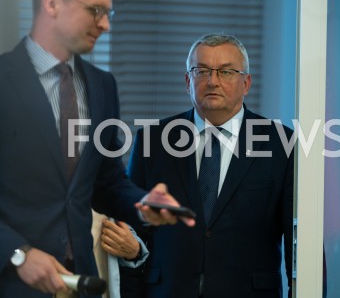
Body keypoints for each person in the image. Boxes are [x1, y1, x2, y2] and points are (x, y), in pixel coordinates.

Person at [0, 0, 194, 297]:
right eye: (95, 11)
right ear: (52, 5)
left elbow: (105, 181)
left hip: (82, 284)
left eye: (108, 13)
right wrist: (17, 254)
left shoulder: (103, 86)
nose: (105, 25)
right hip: (7, 285)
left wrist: (143, 205)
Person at [126, 33, 295, 298]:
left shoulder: (282, 143)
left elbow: (298, 241)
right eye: (201, 70)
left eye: (226, 72)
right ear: (187, 81)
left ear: (246, 83)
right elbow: (131, 231)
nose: (212, 81)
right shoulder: (152, 140)